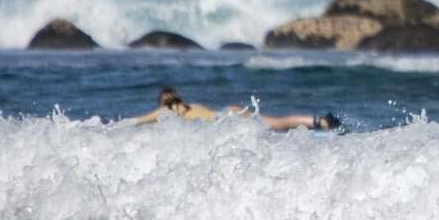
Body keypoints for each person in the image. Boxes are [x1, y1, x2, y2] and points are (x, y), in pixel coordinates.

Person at [133, 87, 338, 132]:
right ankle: (320, 121)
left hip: (226, 120)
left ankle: (320, 124)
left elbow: (139, 121)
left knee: (275, 125)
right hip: (229, 112)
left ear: (163, 102)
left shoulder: (167, 111)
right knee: (277, 122)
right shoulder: (190, 106)